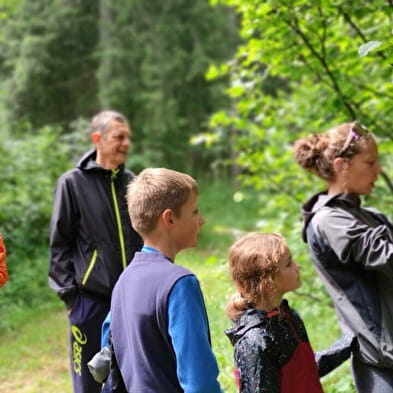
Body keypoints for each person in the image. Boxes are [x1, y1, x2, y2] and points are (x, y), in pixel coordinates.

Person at [294, 120, 393, 392]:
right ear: (341, 166)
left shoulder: (372, 217)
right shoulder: (329, 221)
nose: (378, 170)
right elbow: (387, 256)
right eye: (370, 162)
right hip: (382, 363)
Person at [48, 110, 143, 393]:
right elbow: (60, 243)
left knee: (129, 378)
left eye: (128, 137)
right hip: (88, 303)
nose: (126, 143)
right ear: (97, 139)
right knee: (89, 383)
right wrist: (70, 298)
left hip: (130, 300)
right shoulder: (72, 183)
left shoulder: (133, 184)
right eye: (119, 137)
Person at [110, 167, 223, 393]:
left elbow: (110, 356)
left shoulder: (124, 280)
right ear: (169, 218)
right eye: (194, 212)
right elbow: (200, 382)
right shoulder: (180, 284)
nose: (202, 221)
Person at [225, 232, 355, 393]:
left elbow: (303, 373)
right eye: (288, 264)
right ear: (267, 283)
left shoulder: (286, 316)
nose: (297, 266)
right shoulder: (255, 341)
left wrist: (348, 343)